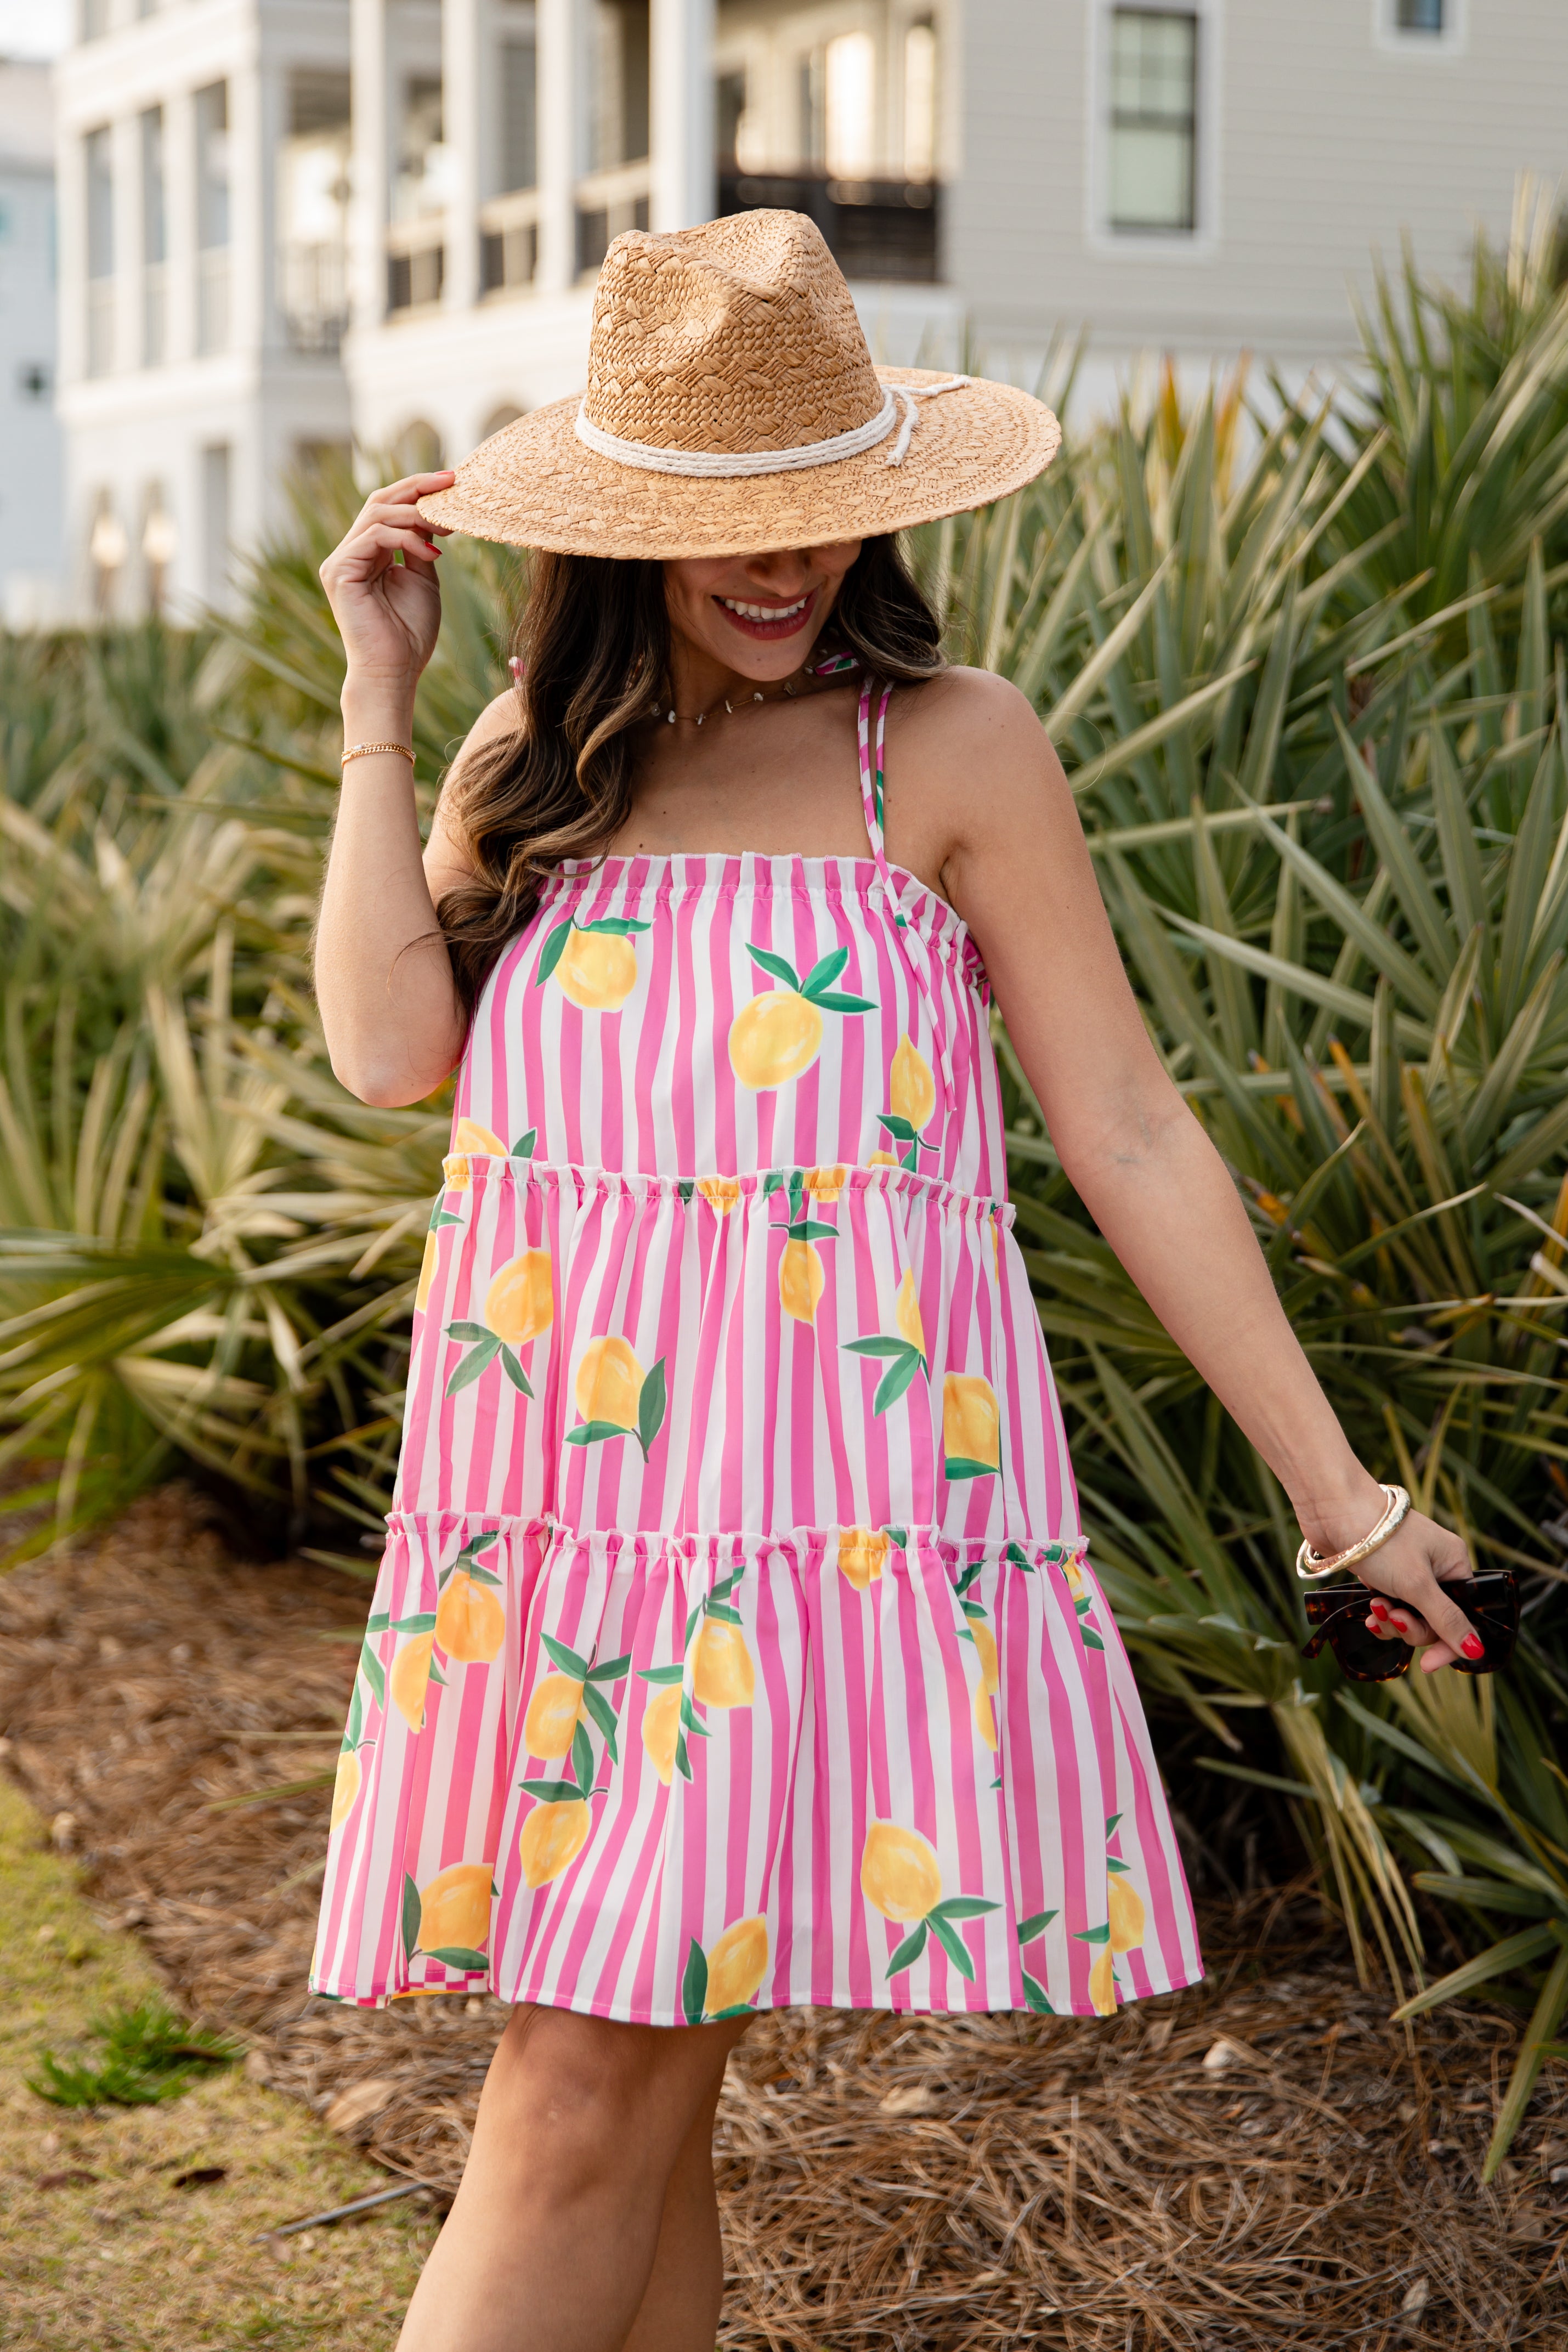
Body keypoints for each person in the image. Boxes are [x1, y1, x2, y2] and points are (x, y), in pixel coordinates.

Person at [310, 213, 1479, 2352]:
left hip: (807, 1533)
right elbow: (394, 1054)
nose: (786, 560)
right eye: (726, 517)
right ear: (623, 526)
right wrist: (382, 700)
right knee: (626, 2118)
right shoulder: (530, 758)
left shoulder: (941, 746)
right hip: (564, 1529)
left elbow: (1128, 1128)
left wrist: (1342, 1499)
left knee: (580, 2100)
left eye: (825, 504)